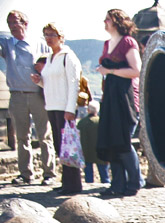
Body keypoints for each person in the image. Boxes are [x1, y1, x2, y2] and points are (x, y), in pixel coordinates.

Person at [0, 10, 57, 186]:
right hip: (16, 94)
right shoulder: (7, 44)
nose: (12, 26)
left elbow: (51, 65)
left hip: (37, 94)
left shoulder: (39, 44)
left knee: (44, 135)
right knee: (21, 137)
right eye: (9, 23)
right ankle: (26, 173)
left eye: (15, 22)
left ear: (25, 24)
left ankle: (49, 173)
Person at [96, 8, 144, 197]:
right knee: (112, 141)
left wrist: (111, 71)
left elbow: (136, 70)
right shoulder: (108, 44)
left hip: (126, 97)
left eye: (107, 19)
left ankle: (134, 182)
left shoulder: (127, 42)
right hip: (111, 96)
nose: (105, 22)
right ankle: (117, 183)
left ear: (116, 21)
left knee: (123, 141)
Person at [31, 23, 83, 195]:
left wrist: (70, 109)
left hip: (63, 108)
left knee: (68, 145)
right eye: (46, 34)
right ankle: (66, 181)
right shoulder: (50, 58)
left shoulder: (68, 57)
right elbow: (50, 82)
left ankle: (74, 184)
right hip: (52, 106)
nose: (49, 38)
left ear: (61, 37)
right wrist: (38, 80)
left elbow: (73, 84)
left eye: (52, 34)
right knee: (60, 146)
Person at [78, 100, 110, 184]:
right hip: (100, 152)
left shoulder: (81, 123)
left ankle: (89, 184)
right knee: (104, 174)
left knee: (88, 175)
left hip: (86, 153)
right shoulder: (101, 122)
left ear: (88, 110)